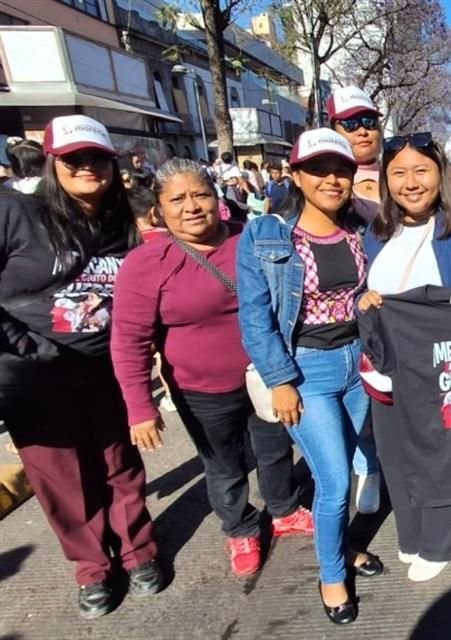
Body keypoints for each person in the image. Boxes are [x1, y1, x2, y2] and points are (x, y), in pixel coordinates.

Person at [110, 159, 313, 579]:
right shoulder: (146, 263)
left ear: (217, 197)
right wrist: (139, 408)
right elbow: (129, 340)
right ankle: (239, 527)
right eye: (177, 199)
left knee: (275, 447)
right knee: (222, 464)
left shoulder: (252, 239)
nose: (191, 206)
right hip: (200, 388)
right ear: (159, 210)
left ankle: (284, 509)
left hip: (266, 375)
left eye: (200, 194)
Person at [0, 115, 162, 618]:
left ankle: (138, 553)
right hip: (36, 379)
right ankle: (93, 568)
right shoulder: (13, 213)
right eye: (74, 159)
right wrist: (26, 349)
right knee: (62, 482)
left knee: (121, 468)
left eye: (97, 158)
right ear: (53, 164)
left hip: (106, 372)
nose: (87, 167)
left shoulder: (122, 222)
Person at [236, 128, 384, 625]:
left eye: (341, 169)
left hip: (357, 360)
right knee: (334, 480)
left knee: (359, 462)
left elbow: (366, 289)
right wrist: (280, 378)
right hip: (306, 370)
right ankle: (332, 572)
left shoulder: (361, 228)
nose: (332, 179)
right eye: (319, 169)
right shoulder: (267, 235)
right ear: (296, 176)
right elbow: (255, 316)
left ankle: (343, 548)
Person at [358, 131, 451, 582]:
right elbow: (357, 293)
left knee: (443, 458)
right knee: (397, 457)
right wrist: (363, 303)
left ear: (442, 175)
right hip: (386, 373)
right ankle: (414, 533)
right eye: (398, 172)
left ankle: (444, 541)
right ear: (386, 180)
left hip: (443, 375)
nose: (410, 182)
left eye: (421, 170)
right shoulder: (376, 232)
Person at [328, 85, 382, 223]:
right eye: (350, 124)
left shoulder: (399, 175)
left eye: (369, 122)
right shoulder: (326, 185)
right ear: (334, 131)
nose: (363, 132)